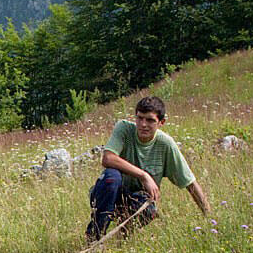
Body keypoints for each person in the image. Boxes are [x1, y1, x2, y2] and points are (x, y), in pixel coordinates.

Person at [86, 96, 210, 242]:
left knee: (149, 208)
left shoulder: (166, 145)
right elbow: (107, 158)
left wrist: (210, 219)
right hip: (107, 195)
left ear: (161, 122)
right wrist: (143, 175)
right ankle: (95, 238)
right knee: (111, 176)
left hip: (137, 202)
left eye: (150, 120)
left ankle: (122, 237)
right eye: (140, 118)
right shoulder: (124, 129)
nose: (143, 124)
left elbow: (190, 183)